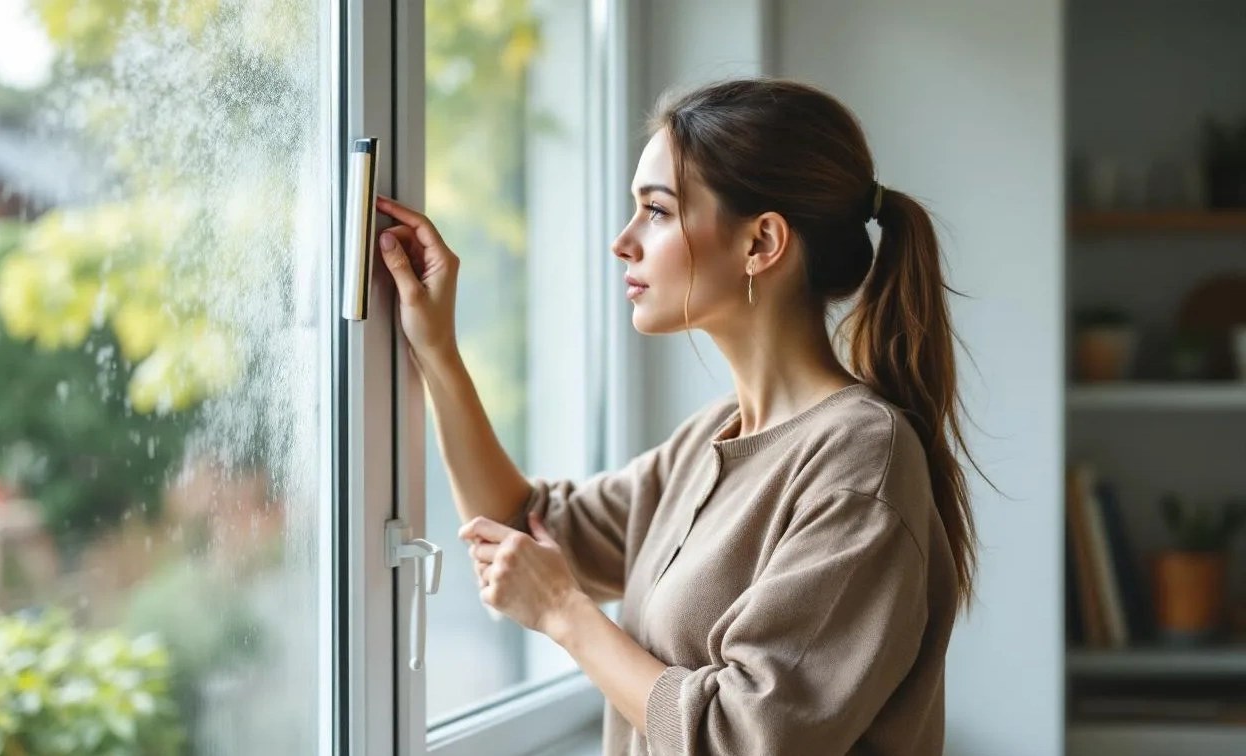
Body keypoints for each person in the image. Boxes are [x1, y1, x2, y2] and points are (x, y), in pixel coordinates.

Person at [375, 77, 977, 756]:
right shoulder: (711, 439)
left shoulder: (860, 461)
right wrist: (438, 351)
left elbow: (741, 739)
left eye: (656, 211)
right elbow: (522, 530)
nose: (623, 242)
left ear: (761, 243)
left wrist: (565, 614)